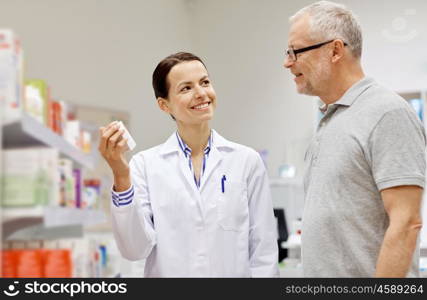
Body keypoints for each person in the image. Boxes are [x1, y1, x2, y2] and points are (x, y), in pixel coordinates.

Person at [98, 52, 279, 277]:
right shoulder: (144, 165)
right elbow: (134, 249)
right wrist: (121, 174)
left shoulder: (246, 161)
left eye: (205, 82)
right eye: (186, 88)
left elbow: (264, 250)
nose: (201, 93)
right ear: (164, 105)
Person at [284, 1, 426, 277]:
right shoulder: (331, 118)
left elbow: (407, 223)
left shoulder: (387, 113)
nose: (287, 62)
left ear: (335, 50)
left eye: (295, 51)